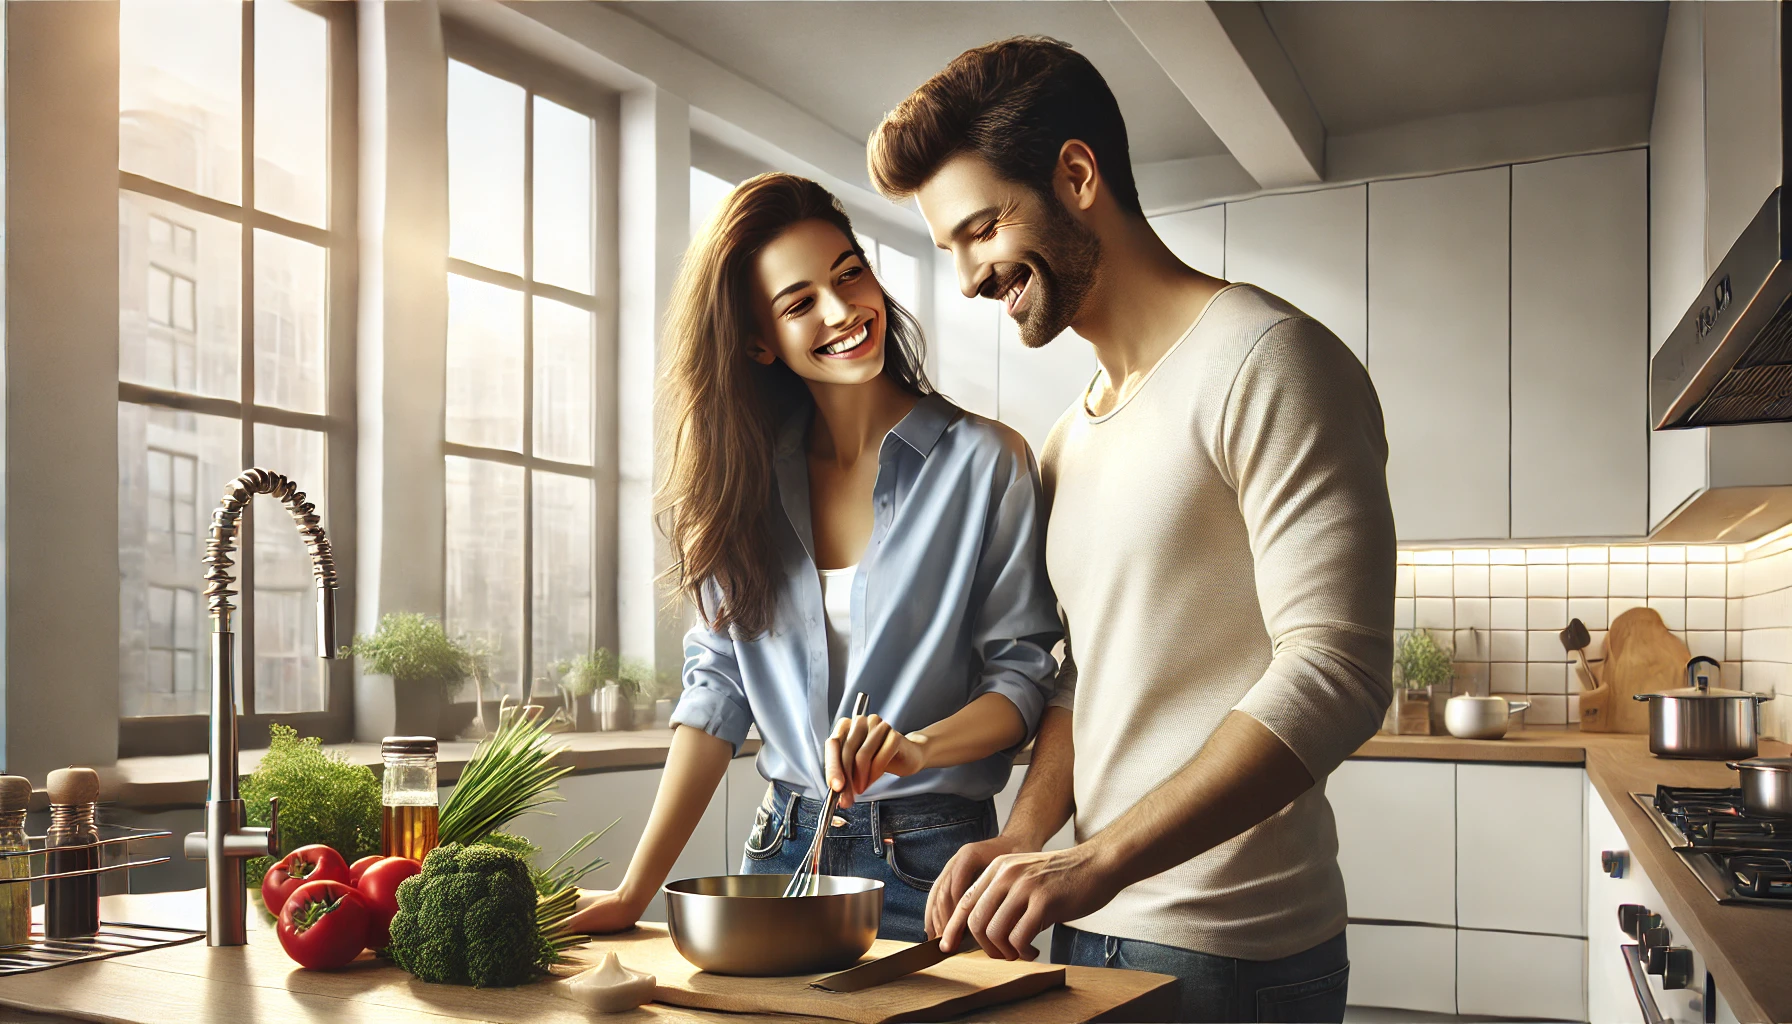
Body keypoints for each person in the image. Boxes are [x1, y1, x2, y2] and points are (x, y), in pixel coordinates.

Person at [867, 37, 1397, 1022]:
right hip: (1088, 927)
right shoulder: (1073, 435)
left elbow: (1339, 669)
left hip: (1235, 951)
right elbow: (1084, 674)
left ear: (1075, 175)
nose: (973, 278)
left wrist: (1097, 860)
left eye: (982, 228)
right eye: (951, 249)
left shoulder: (1267, 362)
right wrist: (1032, 834)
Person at [567, 173, 1061, 943]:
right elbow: (717, 695)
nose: (842, 313)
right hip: (780, 848)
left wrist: (915, 746)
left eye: (848, 274)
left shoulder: (987, 462)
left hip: (938, 866)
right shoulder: (742, 488)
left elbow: (1022, 681)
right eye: (800, 304)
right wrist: (637, 891)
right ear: (760, 340)